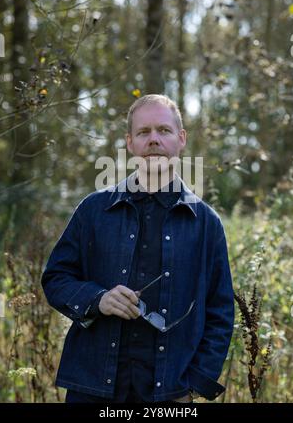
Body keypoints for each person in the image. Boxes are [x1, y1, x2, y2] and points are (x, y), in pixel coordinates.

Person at [41, 94, 234, 404]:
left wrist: (195, 385)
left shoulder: (206, 223)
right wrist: (98, 299)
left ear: (181, 139)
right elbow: (56, 278)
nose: (153, 140)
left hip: (170, 395)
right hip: (93, 390)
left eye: (164, 130)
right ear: (130, 143)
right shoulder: (93, 210)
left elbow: (220, 313)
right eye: (143, 132)